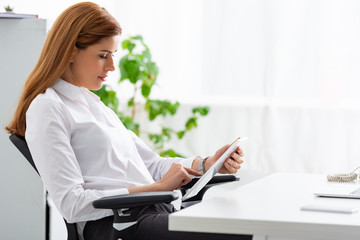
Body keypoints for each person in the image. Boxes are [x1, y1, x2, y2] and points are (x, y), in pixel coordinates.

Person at [5, 2, 252, 240]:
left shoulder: (94, 105)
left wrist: (208, 164)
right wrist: (158, 188)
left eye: (113, 55)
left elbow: (152, 166)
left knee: (247, 222)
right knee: (239, 232)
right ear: (70, 51)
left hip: (152, 212)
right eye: (103, 55)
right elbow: (72, 204)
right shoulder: (48, 108)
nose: (112, 66)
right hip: (118, 225)